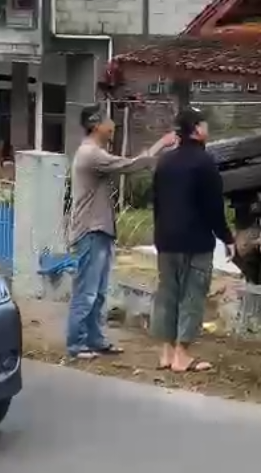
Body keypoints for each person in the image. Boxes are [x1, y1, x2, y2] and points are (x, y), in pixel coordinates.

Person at [66, 105, 174, 361]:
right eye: (108, 121)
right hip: (90, 231)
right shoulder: (91, 154)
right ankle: (76, 343)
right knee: (87, 291)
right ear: (96, 125)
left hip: (100, 230)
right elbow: (131, 165)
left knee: (100, 291)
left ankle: (94, 340)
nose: (113, 125)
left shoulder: (95, 153)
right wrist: (160, 144)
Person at [151, 107, 234, 374]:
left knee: (167, 295)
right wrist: (227, 237)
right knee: (192, 296)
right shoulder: (205, 162)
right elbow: (213, 208)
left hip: (165, 239)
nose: (207, 128)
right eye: (204, 124)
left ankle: (165, 352)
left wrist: (160, 234)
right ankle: (182, 355)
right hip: (195, 241)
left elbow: (157, 204)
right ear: (197, 129)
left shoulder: (164, 162)